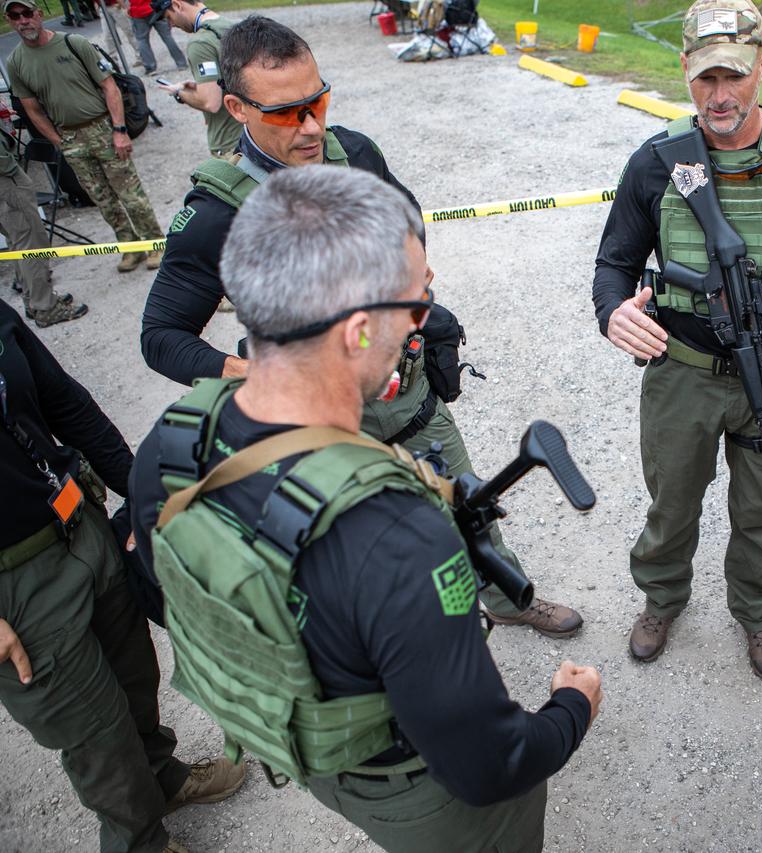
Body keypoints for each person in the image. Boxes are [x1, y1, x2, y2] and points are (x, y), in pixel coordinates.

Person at [130, 166, 603, 853]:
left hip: (313, 751)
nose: (422, 323)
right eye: (416, 306)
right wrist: (571, 706)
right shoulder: (399, 540)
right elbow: (489, 764)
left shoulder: (172, 441)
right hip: (421, 795)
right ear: (356, 332)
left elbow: (173, 591)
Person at [140, 14, 582, 637]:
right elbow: (160, 337)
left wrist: (415, 279)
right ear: (235, 108)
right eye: (288, 113)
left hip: (410, 398)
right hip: (318, 434)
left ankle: (507, 601)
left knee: (465, 507)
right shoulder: (216, 214)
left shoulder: (353, 152)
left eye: (317, 100)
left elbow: (408, 217)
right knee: (368, 556)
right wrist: (251, 373)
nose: (313, 126)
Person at [592, 0, 762, 678]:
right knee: (673, 501)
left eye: (734, 77)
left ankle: (755, 610)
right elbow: (613, 265)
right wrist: (611, 312)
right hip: (680, 372)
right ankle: (662, 598)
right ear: (684, 70)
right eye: (705, 78)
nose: (720, 96)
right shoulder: (656, 162)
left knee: (760, 510)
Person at [0, 299, 244, 853]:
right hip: (13, 586)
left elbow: (64, 403)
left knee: (135, 673)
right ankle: (140, 842)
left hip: (76, 526)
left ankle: (160, 778)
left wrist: (140, 499)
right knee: (95, 732)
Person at [5, 0, 165, 273]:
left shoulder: (74, 44)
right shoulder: (16, 62)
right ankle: (129, 246)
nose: (23, 21)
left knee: (130, 193)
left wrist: (119, 130)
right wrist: (58, 141)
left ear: (39, 15)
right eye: (15, 16)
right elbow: (31, 109)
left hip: (102, 128)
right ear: (10, 21)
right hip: (70, 138)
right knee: (102, 198)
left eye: (27, 13)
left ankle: (155, 243)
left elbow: (110, 86)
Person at [0, 132, 87, 325]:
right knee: (31, 242)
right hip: (6, 182)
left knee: (17, 241)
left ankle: (34, 299)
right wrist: (10, 164)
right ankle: (45, 307)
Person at [152, 0, 239, 159]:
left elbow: (210, 103)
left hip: (229, 144)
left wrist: (179, 93)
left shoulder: (200, 42)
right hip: (253, 136)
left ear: (177, 5)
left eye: (169, 18)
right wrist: (202, 86)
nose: (171, 25)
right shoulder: (234, 25)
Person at [128, 0, 185, 76]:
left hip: (138, 12)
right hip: (155, 8)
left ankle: (150, 68)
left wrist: (125, 7)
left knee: (142, 40)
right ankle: (181, 63)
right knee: (167, 37)